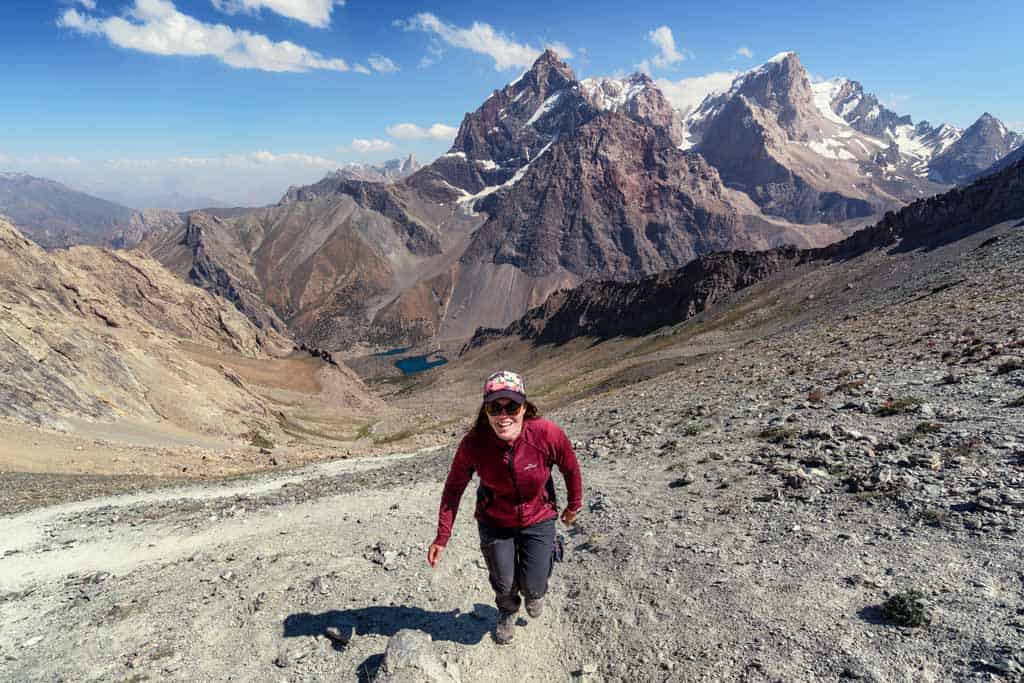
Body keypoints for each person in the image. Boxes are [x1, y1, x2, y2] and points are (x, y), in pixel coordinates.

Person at [427, 370, 583, 644]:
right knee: (503, 582)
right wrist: (442, 536)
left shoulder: (546, 434)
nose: (503, 415)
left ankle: (538, 580)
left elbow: (569, 467)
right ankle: (508, 612)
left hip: (538, 516)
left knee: (534, 587)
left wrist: (574, 505)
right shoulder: (474, 443)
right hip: (495, 521)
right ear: (485, 410)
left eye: (511, 406)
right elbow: (454, 488)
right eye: (494, 407)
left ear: (524, 407)